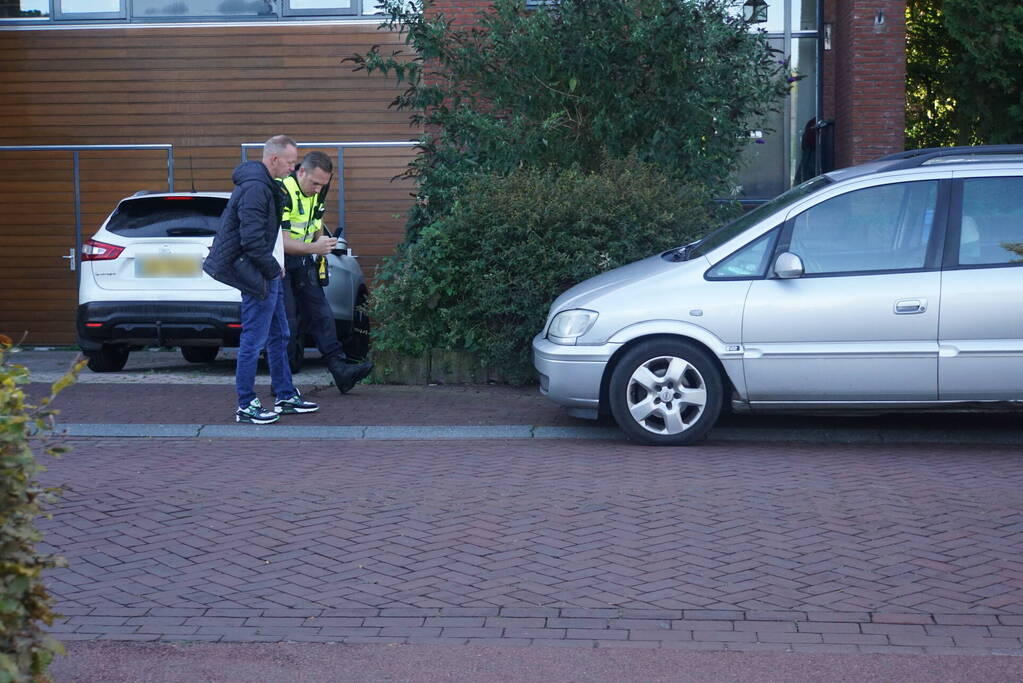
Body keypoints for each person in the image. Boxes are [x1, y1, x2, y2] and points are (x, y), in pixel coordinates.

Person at [203, 135, 319, 424]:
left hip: (268, 273)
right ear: (274, 159)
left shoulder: (265, 186)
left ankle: (284, 394)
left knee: (280, 335)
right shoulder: (256, 189)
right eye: (291, 163)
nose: (293, 169)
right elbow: (252, 239)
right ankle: (246, 403)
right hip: (259, 275)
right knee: (253, 340)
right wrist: (271, 268)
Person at [279, 151, 373, 394]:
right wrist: (315, 247)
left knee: (322, 316)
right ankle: (282, 385)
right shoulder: (283, 192)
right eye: (314, 183)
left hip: (303, 262)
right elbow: (282, 241)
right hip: (280, 264)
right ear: (301, 172)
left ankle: (341, 372)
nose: (318, 189)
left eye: (323, 184)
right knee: (287, 324)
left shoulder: (318, 190)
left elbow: (316, 220)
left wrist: (323, 244)